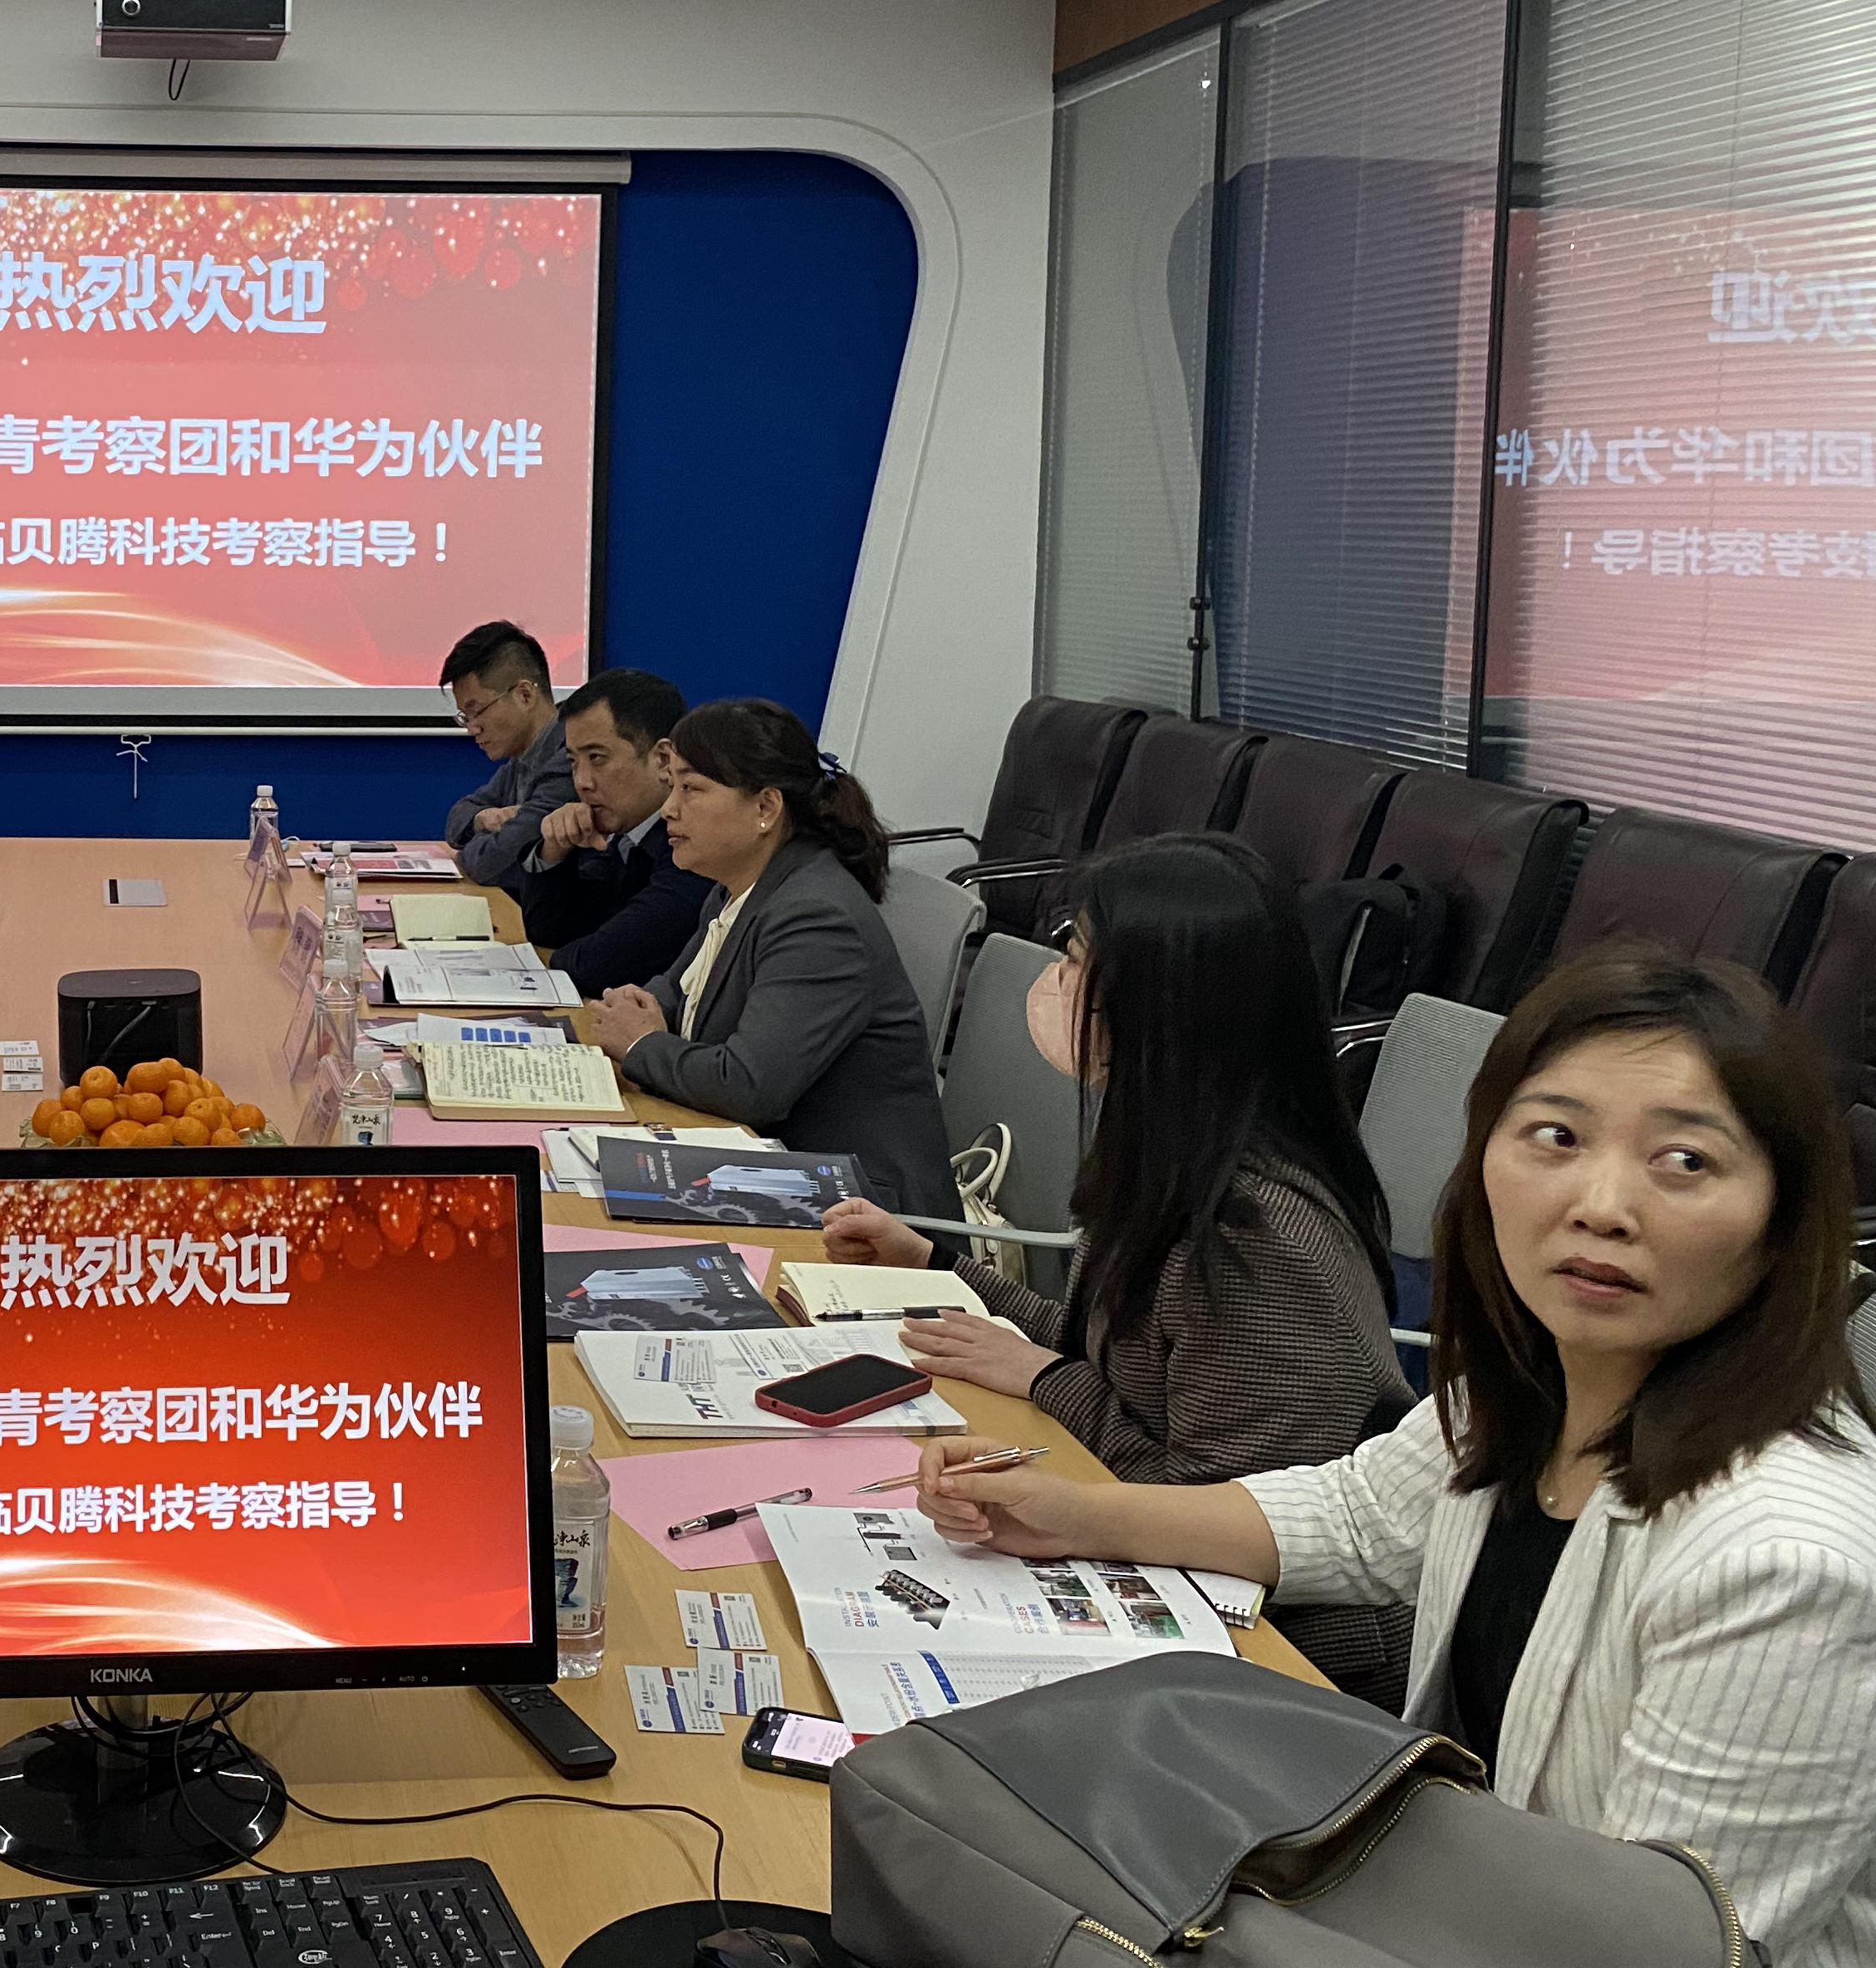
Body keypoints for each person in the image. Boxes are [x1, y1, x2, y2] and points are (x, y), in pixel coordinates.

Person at [917, 948, 1876, 1966]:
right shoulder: (1534, 1389)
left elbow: (1655, 1948)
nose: (1601, 1204)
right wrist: (1065, 1514)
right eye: (1556, 1136)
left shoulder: (1786, 1564)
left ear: (1783, 1221)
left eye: (1684, 1161)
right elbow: (1358, 1516)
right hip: (1444, 1891)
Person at [821, 832, 1415, 1702]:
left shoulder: (1253, 1240)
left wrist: (1045, 1379)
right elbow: (1123, 1351)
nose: (1057, 981)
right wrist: (937, 1263)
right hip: (1173, 1581)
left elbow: (1205, 1507)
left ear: (1157, 1009)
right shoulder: (1174, 1155)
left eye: (1076, 960)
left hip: (1286, 1657)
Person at [585, 699, 958, 1221]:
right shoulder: (735, 888)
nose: (669, 809)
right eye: (671, 787)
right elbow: (672, 995)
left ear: (765, 807)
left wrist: (640, 1044)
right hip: (776, 1167)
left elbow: (748, 1087)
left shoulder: (817, 918)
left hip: (865, 1209)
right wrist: (638, 1010)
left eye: (691, 789)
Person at [512, 667, 714, 997]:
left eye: (597, 758)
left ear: (663, 760)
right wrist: (555, 850)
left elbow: (596, 967)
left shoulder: (694, 845)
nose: (582, 782)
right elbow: (550, 931)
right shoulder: (627, 838)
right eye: (574, 762)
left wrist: (557, 960)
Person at [438, 620, 572, 891]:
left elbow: (491, 864)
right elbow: (457, 819)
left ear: (524, 695)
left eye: (477, 711)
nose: (472, 729)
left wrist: (470, 850)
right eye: (465, 717)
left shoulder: (570, 758)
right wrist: (482, 819)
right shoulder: (521, 759)